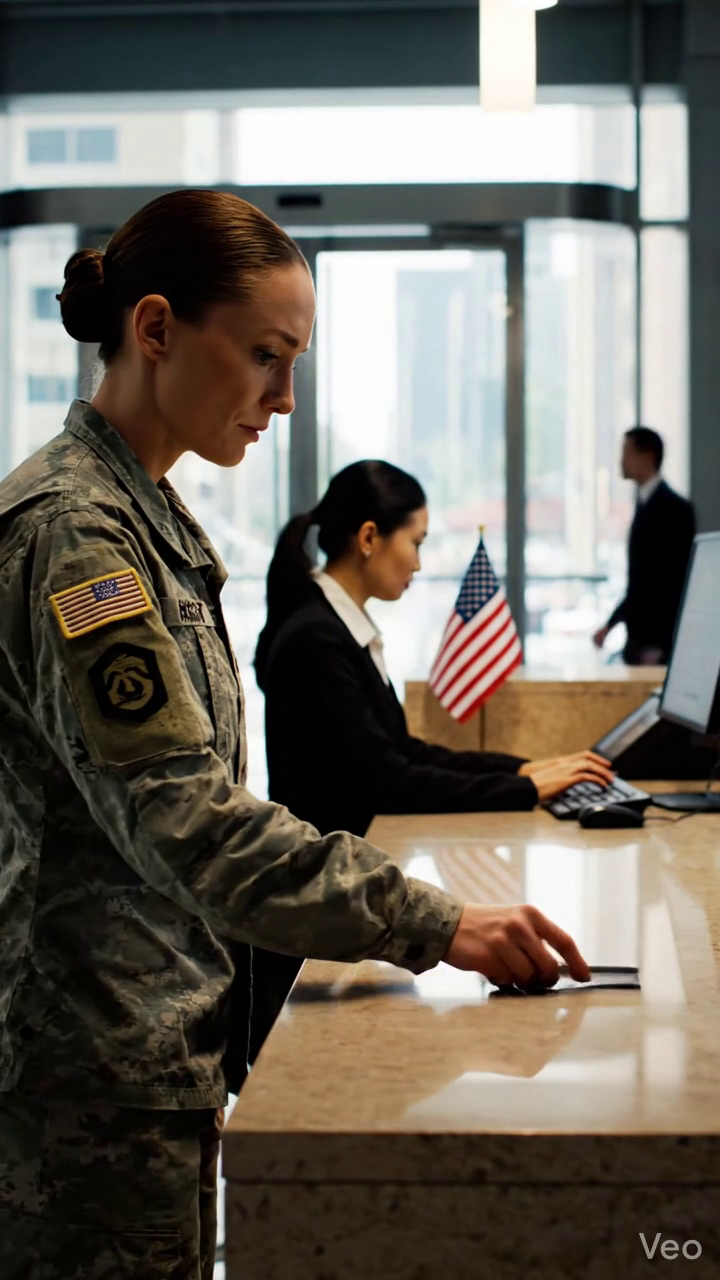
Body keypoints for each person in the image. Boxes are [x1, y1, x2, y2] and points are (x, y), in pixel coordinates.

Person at [0, 189, 590, 1280]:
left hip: (145, 1054)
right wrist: (432, 921)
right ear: (158, 329)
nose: (283, 396)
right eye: (266, 354)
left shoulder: (148, 516)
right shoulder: (80, 535)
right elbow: (187, 818)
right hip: (87, 1083)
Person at [250, 461, 612, 1052]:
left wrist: (518, 770)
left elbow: (399, 750)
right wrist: (523, 789)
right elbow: (389, 780)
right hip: (319, 916)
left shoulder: (338, 626)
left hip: (347, 889)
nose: (418, 562)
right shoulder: (317, 638)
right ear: (369, 538)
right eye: (414, 542)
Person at [593, 426, 696, 665]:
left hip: (656, 645)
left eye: (627, 452)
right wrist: (611, 624)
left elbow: (671, 582)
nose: (622, 461)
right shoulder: (644, 504)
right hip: (639, 641)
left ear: (647, 456)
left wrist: (658, 644)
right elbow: (639, 581)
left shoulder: (675, 510)